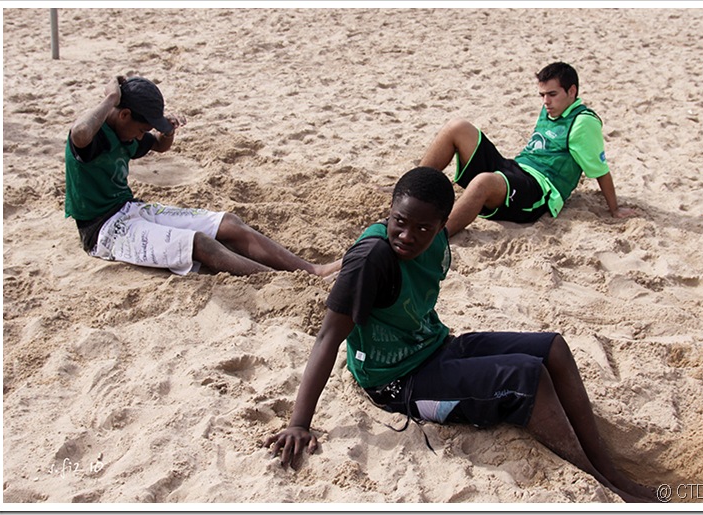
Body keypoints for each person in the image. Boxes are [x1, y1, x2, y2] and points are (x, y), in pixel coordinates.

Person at [263, 167, 655, 503]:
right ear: (389, 212)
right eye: (399, 222)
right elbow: (328, 337)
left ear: (440, 226)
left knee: (552, 347)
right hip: (397, 381)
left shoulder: (435, 242)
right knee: (526, 377)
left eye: (422, 228)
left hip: (436, 347)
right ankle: (605, 483)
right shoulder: (371, 260)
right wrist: (300, 422)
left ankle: (608, 466)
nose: (407, 236)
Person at [64, 75, 341, 278]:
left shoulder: (126, 132)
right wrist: (110, 98)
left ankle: (311, 270)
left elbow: (159, 145)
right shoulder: (95, 136)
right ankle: (284, 280)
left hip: (130, 209)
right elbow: (78, 134)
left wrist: (166, 131)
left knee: (229, 223)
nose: (141, 135)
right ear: (123, 114)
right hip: (104, 231)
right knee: (198, 242)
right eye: (141, 128)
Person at [418, 62, 637, 237]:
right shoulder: (551, 108)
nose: (545, 101)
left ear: (572, 91)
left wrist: (615, 209)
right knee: (457, 127)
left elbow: (600, 169)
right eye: (542, 95)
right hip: (516, 168)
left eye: (552, 94)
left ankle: (436, 238)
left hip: (538, 190)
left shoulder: (583, 123)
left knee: (483, 181)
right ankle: (411, 188)